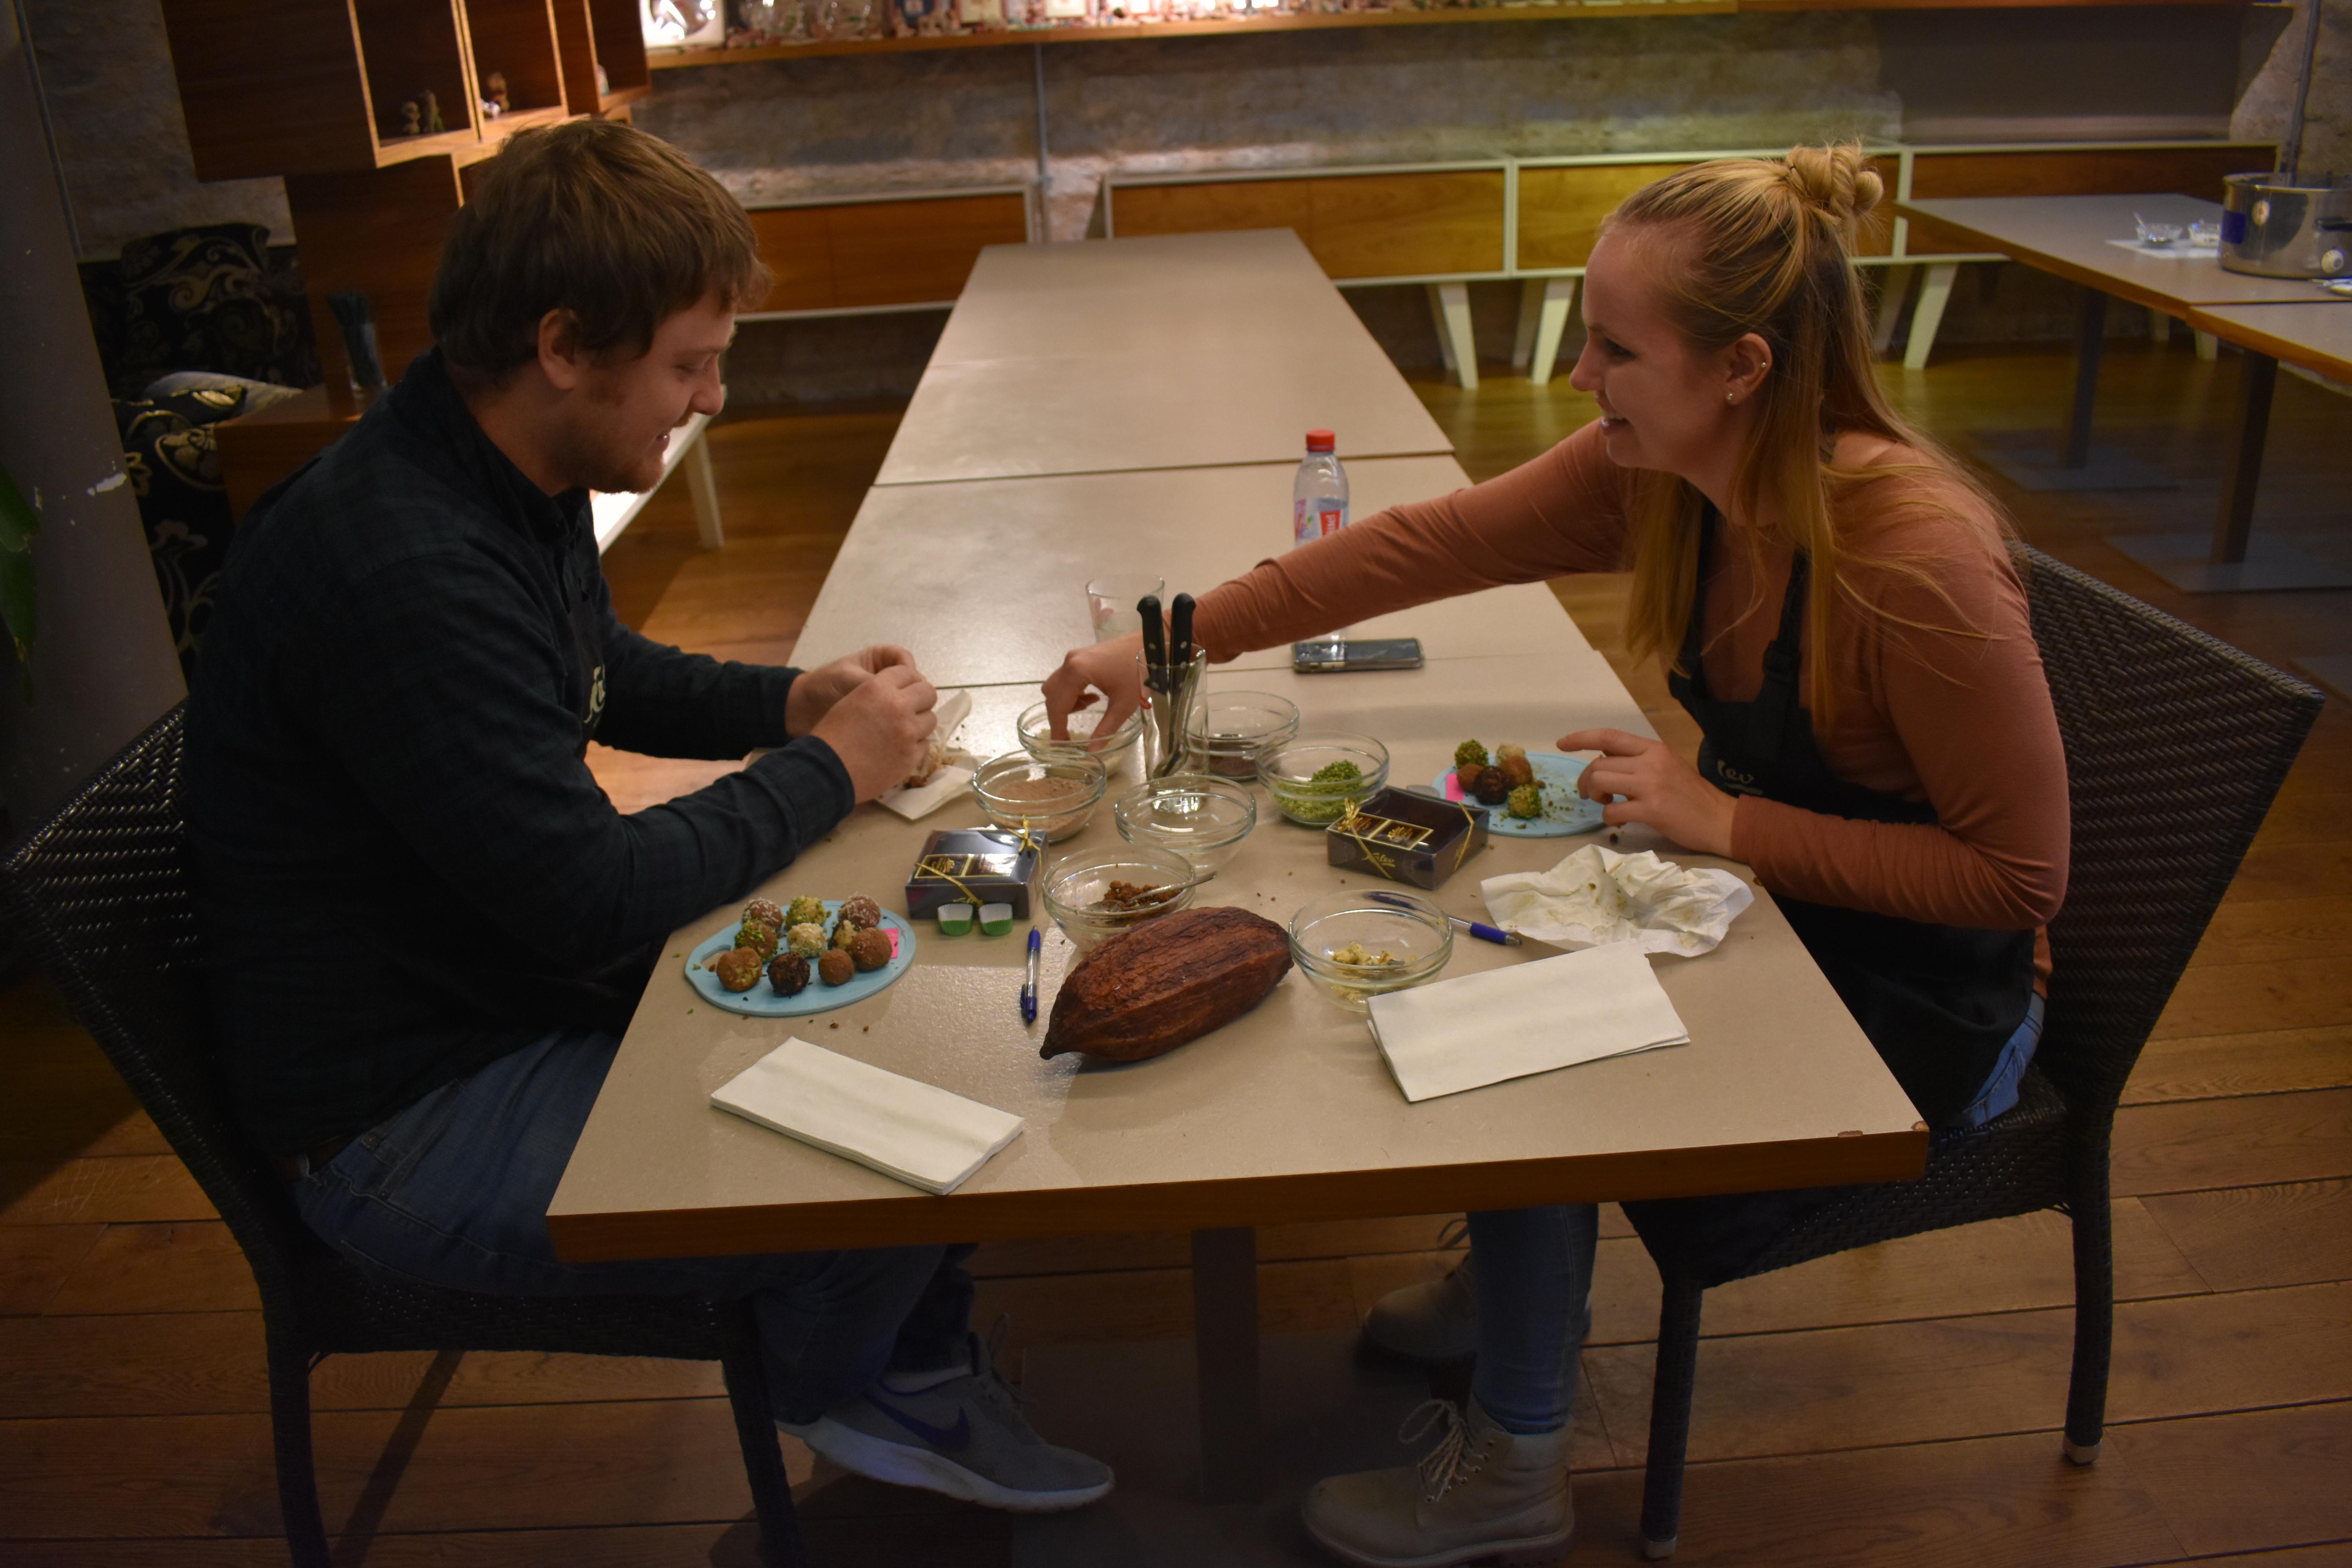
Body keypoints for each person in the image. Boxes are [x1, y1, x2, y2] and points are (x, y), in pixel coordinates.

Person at [1042, 145, 2067, 1564]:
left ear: (1743, 370)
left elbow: (2019, 883)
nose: (1581, 377)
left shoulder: (1915, 558)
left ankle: (1518, 1464)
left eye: (1615, 350)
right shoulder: (1674, 473)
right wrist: (1162, 645)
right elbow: (1417, 545)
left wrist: (1727, 825)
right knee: (1486, 959)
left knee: (1523, 1049)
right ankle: (1523, 1284)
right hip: (1787, 921)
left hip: (1930, 1009)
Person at [187, 118, 1111, 1514]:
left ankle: (906, 1352)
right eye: (689, 365)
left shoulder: (497, 461)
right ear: (566, 345)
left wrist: (788, 703)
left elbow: (595, 668)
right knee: (902, 1151)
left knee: (931, 1029)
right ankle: (860, 1387)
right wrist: (833, 770)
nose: (713, 398)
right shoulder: (402, 565)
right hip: (403, 1120)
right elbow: (592, 898)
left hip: (492, 994)